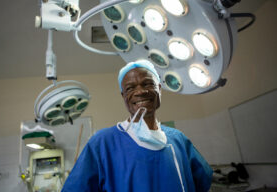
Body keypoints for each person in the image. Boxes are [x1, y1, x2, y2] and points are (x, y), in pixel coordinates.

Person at [62, 60, 213, 192]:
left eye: (147, 84)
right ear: (123, 96)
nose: (140, 91)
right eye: (130, 88)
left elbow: (202, 181)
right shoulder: (103, 143)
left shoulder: (178, 140)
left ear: (159, 89)